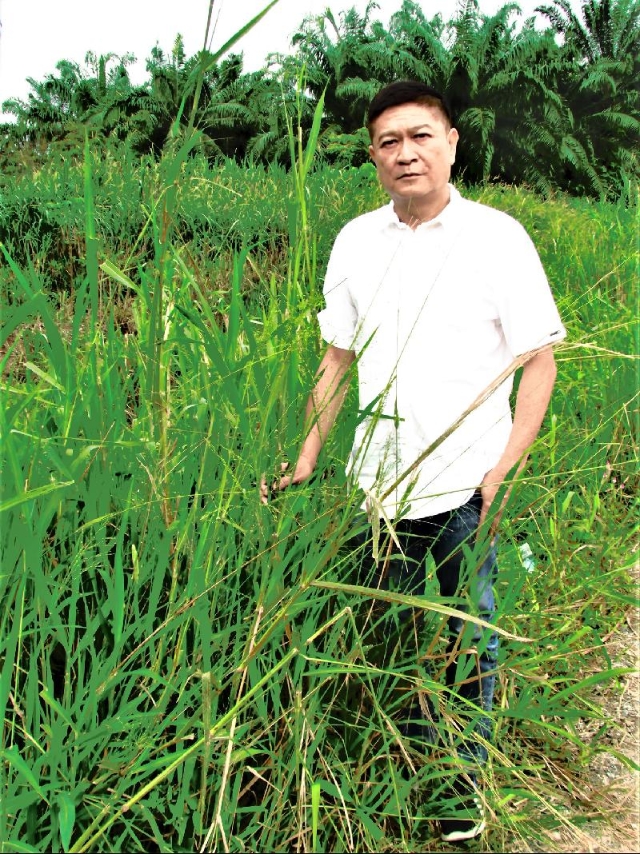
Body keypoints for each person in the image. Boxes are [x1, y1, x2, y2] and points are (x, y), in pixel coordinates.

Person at [264, 80, 566, 843]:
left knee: (470, 632)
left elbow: (539, 360)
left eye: (420, 136)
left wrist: (504, 468)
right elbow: (337, 359)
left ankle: (460, 784)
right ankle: (400, 756)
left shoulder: (499, 237)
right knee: (390, 631)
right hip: (377, 484)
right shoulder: (356, 241)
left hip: (466, 481)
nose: (406, 153)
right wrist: (306, 457)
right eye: (388, 141)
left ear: (452, 141)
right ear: (372, 156)